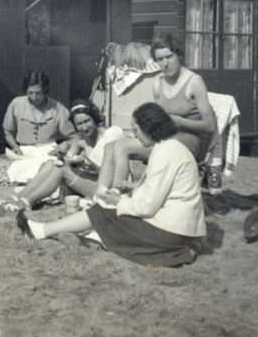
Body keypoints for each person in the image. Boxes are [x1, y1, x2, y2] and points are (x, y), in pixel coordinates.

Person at [16, 102, 206, 267]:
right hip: (184, 231)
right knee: (111, 206)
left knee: (105, 211)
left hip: (172, 234)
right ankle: (86, 235)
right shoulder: (172, 147)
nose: (135, 135)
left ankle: (43, 230)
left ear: (150, 128)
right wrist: (134, 189)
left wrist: (118, 201)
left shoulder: (164, 153)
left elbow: (147, 207)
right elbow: (166, 191)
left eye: (136, 129)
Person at [96, 34, 216, 189]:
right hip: (164, 138)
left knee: (122, 147)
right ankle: (101, 195)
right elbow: (158, 120)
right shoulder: (158, 83)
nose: (165, 63)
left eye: (169, 57)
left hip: (187, 142)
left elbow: (210, 126)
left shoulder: (194, 82)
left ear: (178, 55)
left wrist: (180, 122)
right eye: (160, 59)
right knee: (110, 146)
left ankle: (117, 195)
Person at [5, 100, 124, 211]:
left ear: (95, 119)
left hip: (106, 188)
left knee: (62, 171)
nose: (84, 127)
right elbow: (69, 158)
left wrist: (91, 166)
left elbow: (112, 171)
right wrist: (67, 158)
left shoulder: (110, 136)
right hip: (90, 180)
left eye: (87, 121)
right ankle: (20, 196)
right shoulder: (82, 139)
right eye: (79, 124)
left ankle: (28, 202)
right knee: (52, 164)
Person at [2, 70, 75, 183]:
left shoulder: (57, 108)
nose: (34, 97)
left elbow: (72, 137)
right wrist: (15, 147)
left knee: (47, 171)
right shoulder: (16, 104)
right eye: (30, 93)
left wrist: (63, 146)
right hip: (24, 151)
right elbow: (8, 131)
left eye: (38, 93)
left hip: (48, 151)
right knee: (18, 173)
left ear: (45, 91)